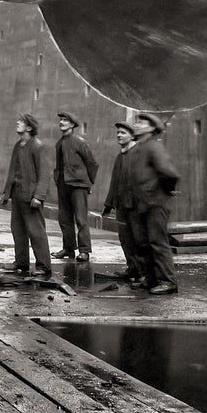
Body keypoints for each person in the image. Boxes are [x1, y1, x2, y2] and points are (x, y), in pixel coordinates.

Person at [127, 112, 181, 294]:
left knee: (158, 243)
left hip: (155, 203)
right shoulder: (139, 148)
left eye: (142, 123)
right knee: (144, 243)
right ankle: (151, 279)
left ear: (152, 128)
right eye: (138, 122)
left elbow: (169, 173)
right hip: (143, 203)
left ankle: (168, 281)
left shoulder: (153, 147)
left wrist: (165, 191)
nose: (137, 125)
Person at [1, 114, 52, 279]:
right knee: (18, 229)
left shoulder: (37, 146)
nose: (17, 123)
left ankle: (44, 266)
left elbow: (44, 174)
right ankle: (21, 262)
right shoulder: (18, 145)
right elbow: (12, 170)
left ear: (29, 127)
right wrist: (7, 193)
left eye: (21, 122)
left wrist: (39, 196)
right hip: (18, 193)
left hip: (31, 197)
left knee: (36, 231)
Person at [99, 121, 144, 281]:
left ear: (132, 136)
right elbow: (115, 182)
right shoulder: (120, 156)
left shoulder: (138, 154)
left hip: (136, 206)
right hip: (122, 205)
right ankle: (132, 269)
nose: (119, 135)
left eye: (123, 133)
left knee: (139, 239)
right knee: (125, 239)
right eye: (118, 132)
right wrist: (108, 204)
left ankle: (143, 273)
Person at [52, 112, 99, 263]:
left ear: (72, 125)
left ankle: (84, 251)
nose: (61, 122)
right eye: (60, 120)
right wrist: (57, 179)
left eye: (65, 120)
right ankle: (68, 248)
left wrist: (89, 183)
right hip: (63, 184)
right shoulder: (59, 143)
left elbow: (92, 163)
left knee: (80, 219)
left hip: (78, 185)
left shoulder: (79, 142)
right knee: (64, 218)